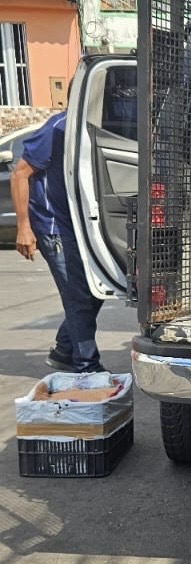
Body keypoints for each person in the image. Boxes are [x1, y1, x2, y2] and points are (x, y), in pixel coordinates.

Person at [10, 111, 106, 374]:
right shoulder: (58, 127)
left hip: (79, 227)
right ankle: (88, 367)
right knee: (78, 298)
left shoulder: (98, 125)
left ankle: (65, 350)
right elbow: (19, 174)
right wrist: (23, 228)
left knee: (97, 290)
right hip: (53, 226)